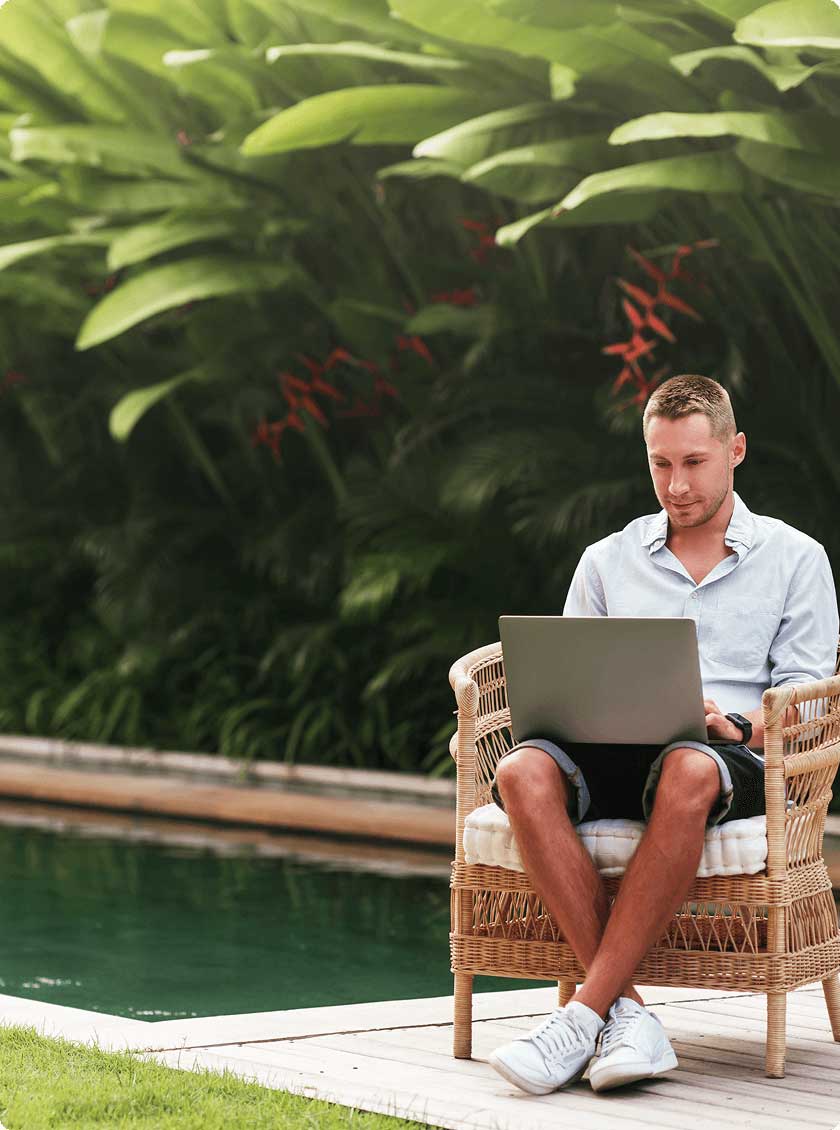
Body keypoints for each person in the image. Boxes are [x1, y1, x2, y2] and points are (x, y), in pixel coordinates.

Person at [487, 374, 839, 1096]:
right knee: (521, 771)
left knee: (689, 763)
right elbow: (567, 677)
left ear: (735, 450)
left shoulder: (796, 559)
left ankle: (581, 1015)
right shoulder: (606, 561)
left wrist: (734, 724)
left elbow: (808, 705)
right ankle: (628, 1015)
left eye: (694, 463)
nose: (676, 485)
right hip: (608, 746)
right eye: (660, 464)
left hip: (731, 758)